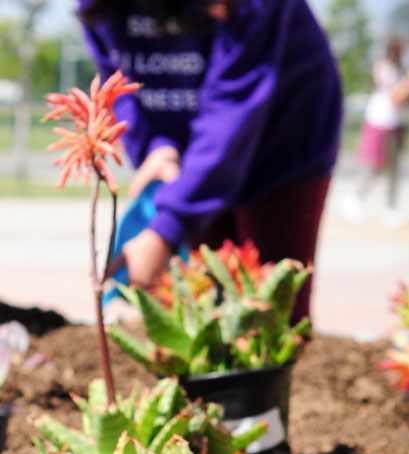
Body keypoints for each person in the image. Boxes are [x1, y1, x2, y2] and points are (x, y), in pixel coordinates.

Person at [78, 0, 342, 323]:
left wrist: (166, 229)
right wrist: (155, 146)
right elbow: (116, 81)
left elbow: (233, 109)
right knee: (207, 311)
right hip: (194, 156)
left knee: (270, 313)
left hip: (283, 144)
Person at [344, 36, 409, 227]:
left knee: (394, 169)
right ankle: (355, 199)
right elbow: (397, 97)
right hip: (381, 123)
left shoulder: (399, 70)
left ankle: (391, 208)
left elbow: (406, 99)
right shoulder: (384, 67)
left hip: (395, 124)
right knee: (376, 166)